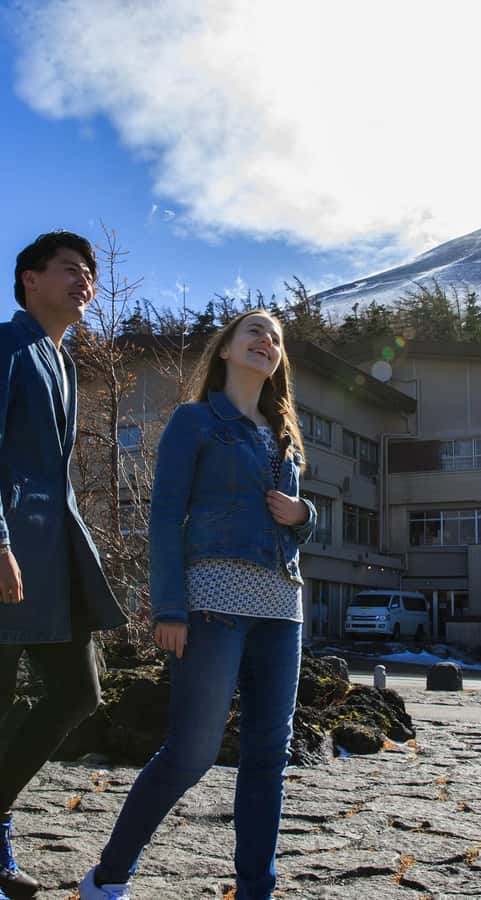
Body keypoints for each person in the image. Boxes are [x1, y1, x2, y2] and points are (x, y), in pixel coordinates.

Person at [80, 310, 317, 900]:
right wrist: (169, 607)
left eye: (276, 338)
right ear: (226, 350)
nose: (267, 341)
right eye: (254, 332)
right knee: (191, 752)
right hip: (212, 601)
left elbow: (288, 520)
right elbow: (165, 514)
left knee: (269, 755)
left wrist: (305, 514)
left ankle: (256, 889)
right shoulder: (196, 420)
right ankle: (107, 878)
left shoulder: (283, 432)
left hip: (282, 606)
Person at [0, 232, 127, 900]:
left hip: (55, 558)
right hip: (8, 552)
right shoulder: (6, 346)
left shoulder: (66, 362)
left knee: (79, 692)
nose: (85, 282)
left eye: (91, 274)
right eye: (71, 269)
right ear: (29, 279)